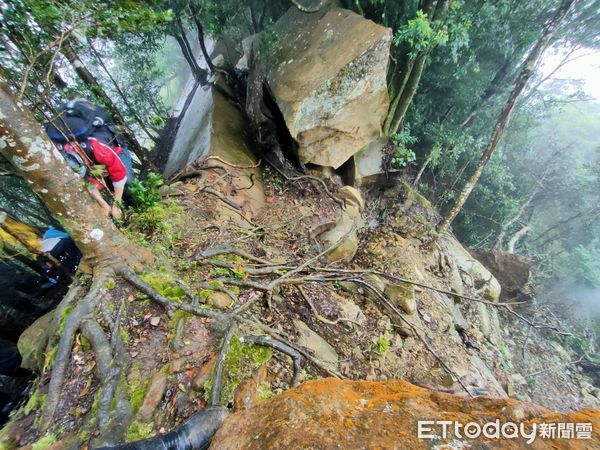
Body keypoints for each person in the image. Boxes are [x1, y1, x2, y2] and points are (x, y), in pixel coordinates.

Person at [45, 99, 134, 219]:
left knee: (127, 182)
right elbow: (88, 184)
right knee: (105, 185)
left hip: (117, 150)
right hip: (95, 164)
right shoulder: (66, 162)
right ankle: (127, 209)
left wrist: (116, 205)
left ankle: (136, 205)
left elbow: (119, 173)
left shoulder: (94, 146)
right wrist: (104, 205)